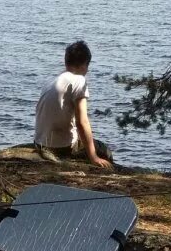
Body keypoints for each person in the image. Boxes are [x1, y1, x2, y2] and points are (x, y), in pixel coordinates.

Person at [33, 40, 113, 169]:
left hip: (40, 143)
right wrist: (93, 157)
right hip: (61, 147)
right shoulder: (79, 80)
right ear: (85, 65)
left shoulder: (51, 81)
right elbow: (82, 122)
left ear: (66, 62)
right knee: (104, 150)